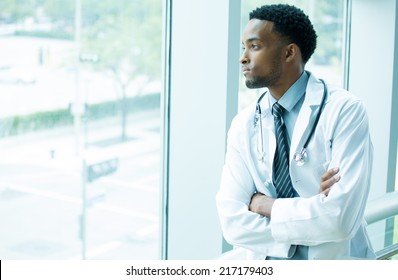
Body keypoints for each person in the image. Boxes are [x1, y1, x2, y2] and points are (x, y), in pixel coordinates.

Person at [216, 4, 375, 260]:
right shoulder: (243, 125)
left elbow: (340, 219)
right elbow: (232, 222)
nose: (243, 57)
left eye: (254, 46)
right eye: (243, 46)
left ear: (289, 52)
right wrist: (312, 212)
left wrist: (266, 206)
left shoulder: (345, 111)